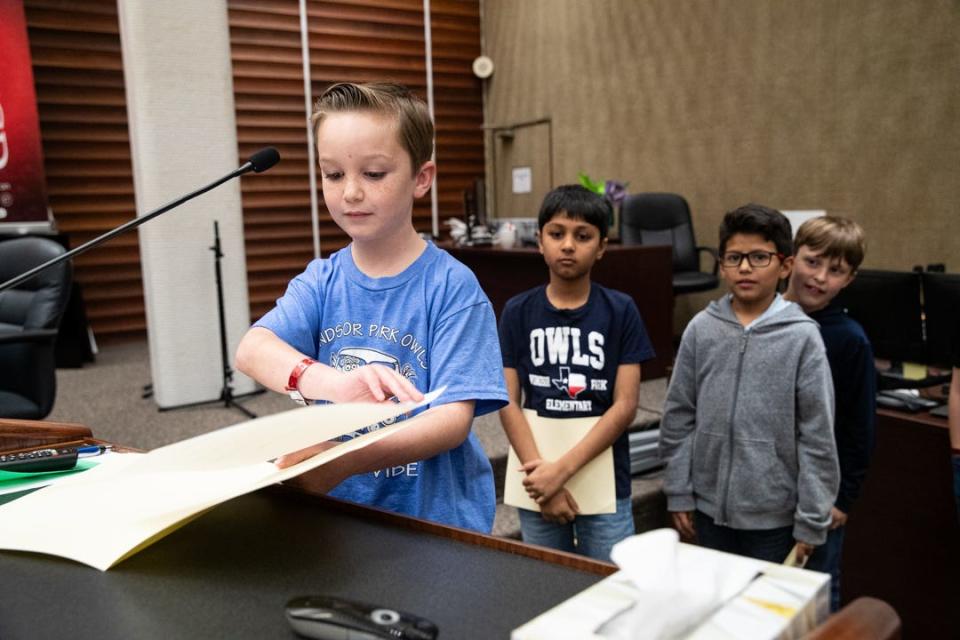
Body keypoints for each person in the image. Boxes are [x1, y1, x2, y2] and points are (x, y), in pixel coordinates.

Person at [235, 82, 507, 533]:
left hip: (431, 524)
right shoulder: (323, 279)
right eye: (333, 174)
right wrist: (333, 384)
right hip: (340, 517)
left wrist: (344, 460)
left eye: (374, 174)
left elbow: (451, 420)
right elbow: (253, 348)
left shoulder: (451, 286)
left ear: (422, 178)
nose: (351, 193)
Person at [659, 203, 839, 565]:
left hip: (774, 519)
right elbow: (678, 417)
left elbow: (817, 437)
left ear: (785, 265)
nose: (744, 267)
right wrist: (679, 491)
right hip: (708, 512)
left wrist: (812, 518)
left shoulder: (802, 338)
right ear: (722, 264)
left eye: (759, 257)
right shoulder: (701, 329)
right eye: (734, 257)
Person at [497, 185, 655, 561]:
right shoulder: (517, 312)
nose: (568, 245)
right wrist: (546, 483)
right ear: (539, 242)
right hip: (536, 475)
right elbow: (507, 401)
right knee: (545, 586)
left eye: (582, 236)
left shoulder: (621, 310)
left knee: (611, 587)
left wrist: (561, 471)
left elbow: (626, 405)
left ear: (601, 247)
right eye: (557, 234)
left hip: (602, 478)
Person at [783, 216, 876, 611]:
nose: (820, 277)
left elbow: (859, 427)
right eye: (813, 262)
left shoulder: (849, 339)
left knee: (815, 600)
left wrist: (842, 499)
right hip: (764, 491)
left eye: (835, 271)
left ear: (849, 279)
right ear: (790, 259)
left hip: (820, 497)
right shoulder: (760, 318)